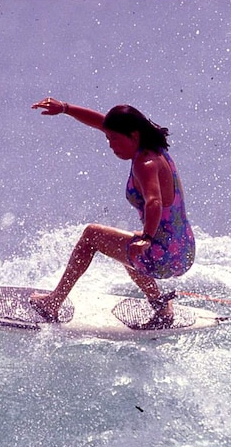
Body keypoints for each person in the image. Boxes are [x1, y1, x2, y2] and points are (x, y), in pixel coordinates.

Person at [28, 98, 196, 329]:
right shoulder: (155, 150)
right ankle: (160, 306)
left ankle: (52, 303)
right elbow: (102, 122)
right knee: (128, 244)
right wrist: (66, 108)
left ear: (133, 135)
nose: (110, 144)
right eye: (109, 138)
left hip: (162, 257)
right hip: (183, 251)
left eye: (114, 139)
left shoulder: (145, 164)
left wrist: (147, 238)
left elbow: (154, 201)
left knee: (91, 235)